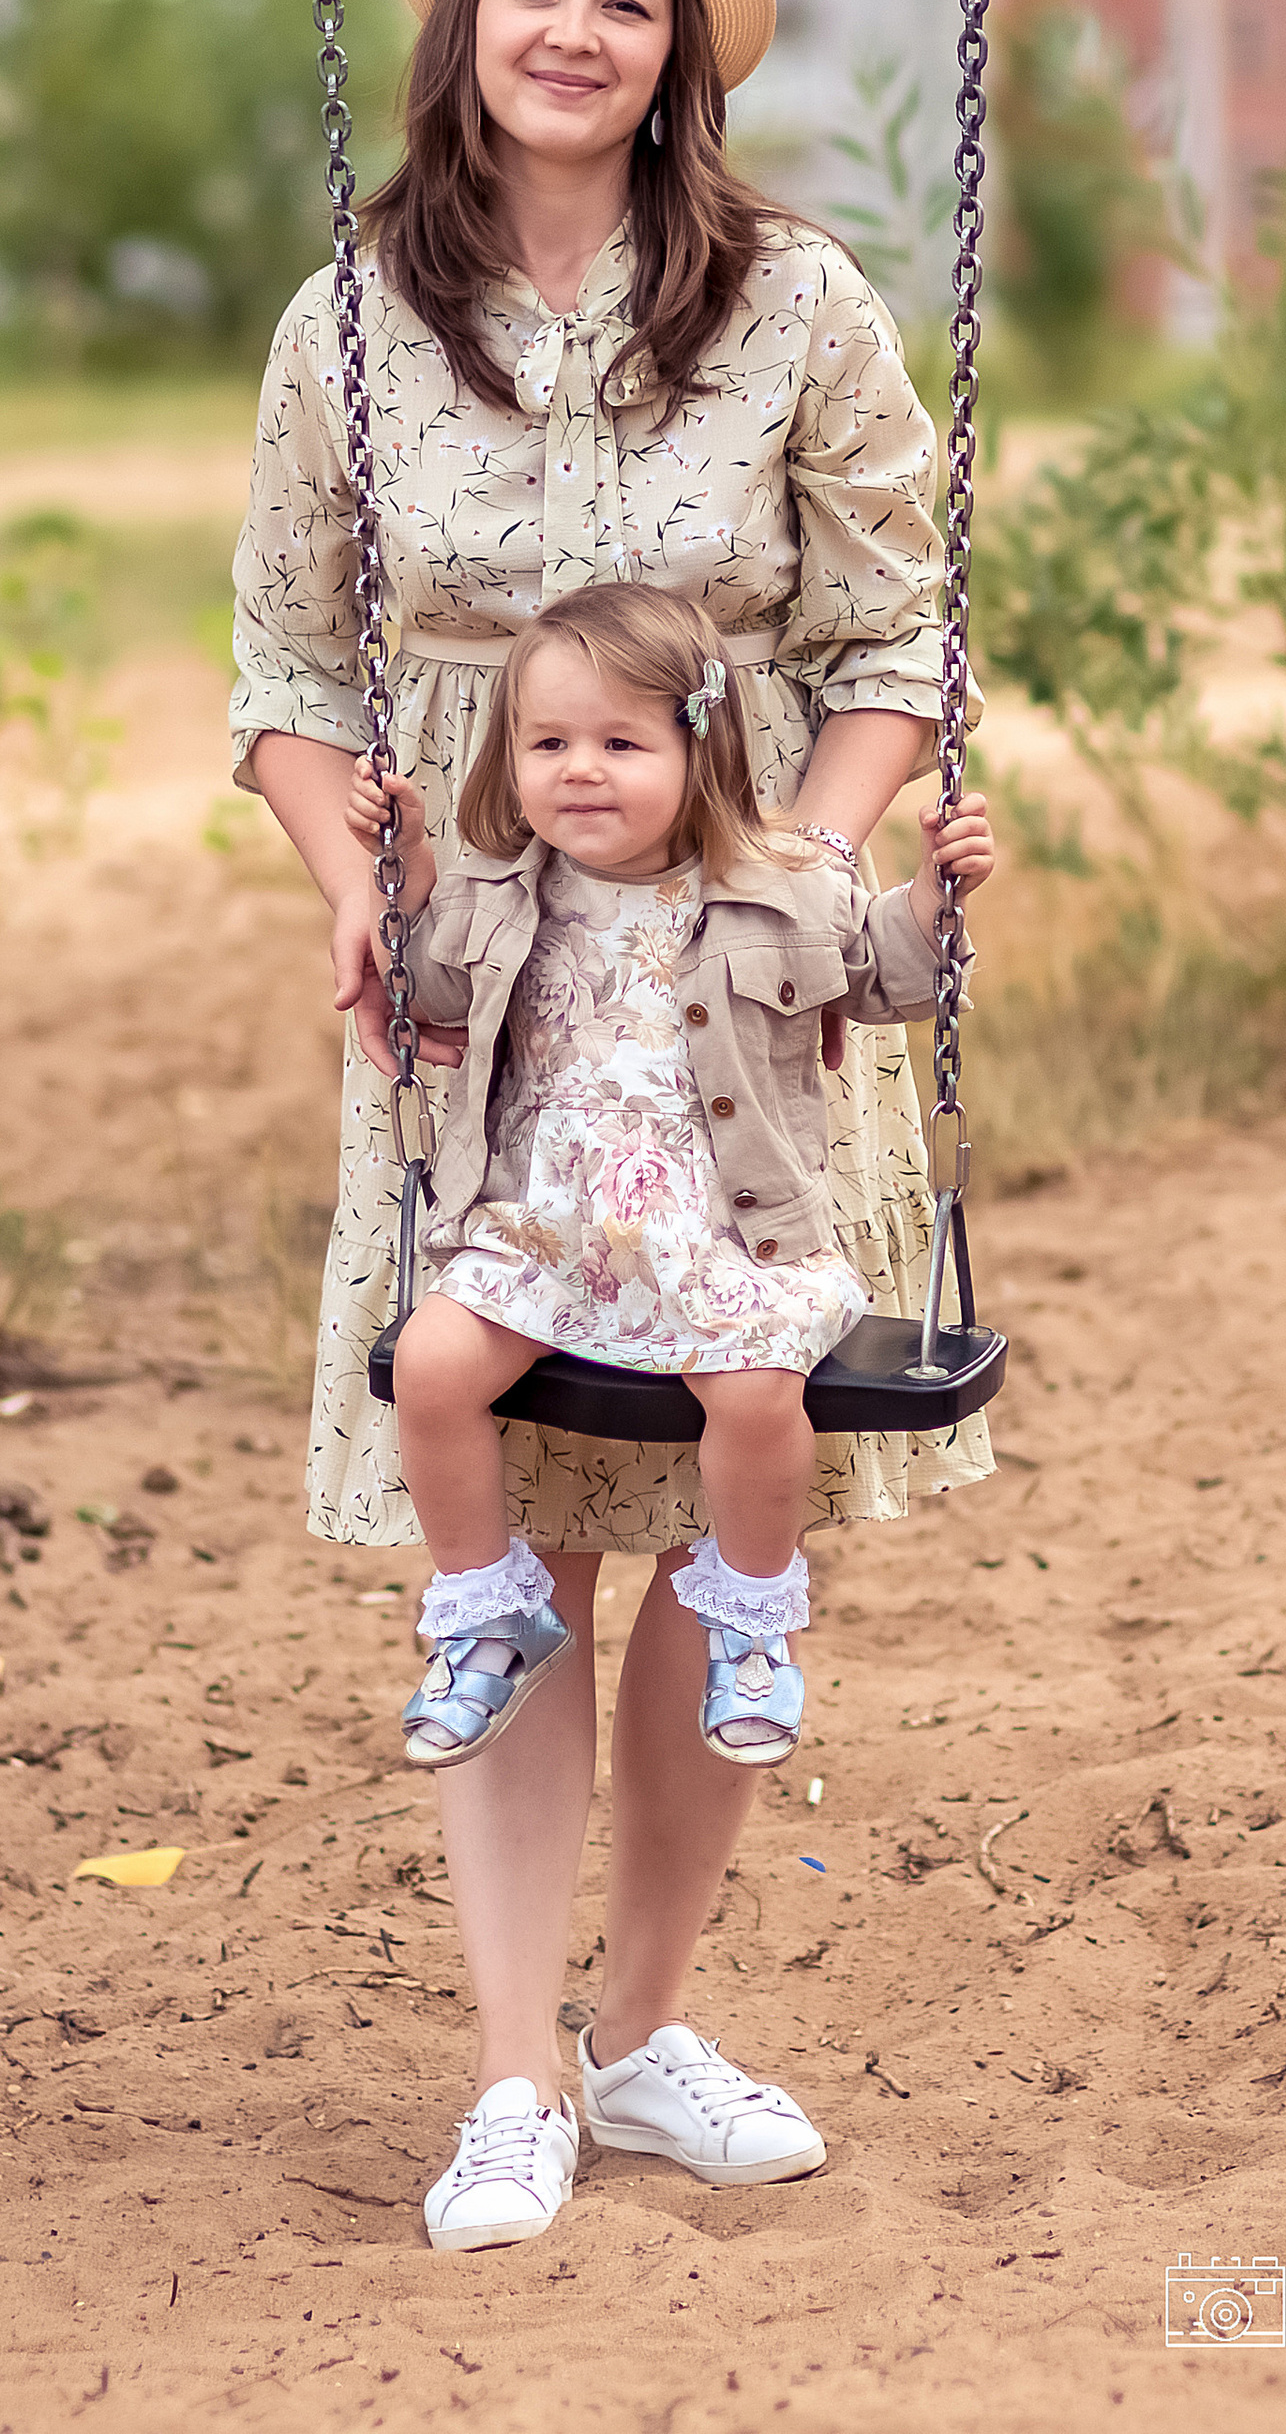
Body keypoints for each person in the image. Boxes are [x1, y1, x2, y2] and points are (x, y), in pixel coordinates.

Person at [232, 0, 994, 2256]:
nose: (573, 27)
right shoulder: (343, 317)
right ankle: (499, 2070)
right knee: (515, 1549)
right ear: (464, 23)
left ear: (676, 56)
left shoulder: (793, 305)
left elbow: (892, 642)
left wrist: (805, 867)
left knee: (700, 1512)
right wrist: (356, 884)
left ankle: (641, 2024)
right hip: (481, 1011)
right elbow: (280, 667)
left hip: (744, 1014)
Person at [340, 584, 995, 1793]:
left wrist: (930, 902)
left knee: (754, 1396)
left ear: (704, 750)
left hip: (721, 1239)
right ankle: (487, 1612)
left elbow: (882, 977)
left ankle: (750, 1625)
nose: (580, 771)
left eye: (621, 743)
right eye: (549, 743)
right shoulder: (497, 895)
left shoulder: (784, 885)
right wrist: (412, 864)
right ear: (511, 758)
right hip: (544, 1236)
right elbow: (428, 988)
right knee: (430, 1367)